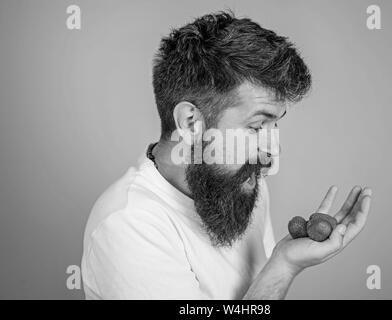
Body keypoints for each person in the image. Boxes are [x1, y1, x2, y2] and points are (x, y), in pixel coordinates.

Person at [81, 11, 372, 299]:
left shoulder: (240, 185)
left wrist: (284, 262)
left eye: (276, 124)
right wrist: (281, 269)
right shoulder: (128, 227)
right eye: (257, 126)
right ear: (191, 123)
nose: (273, 151)